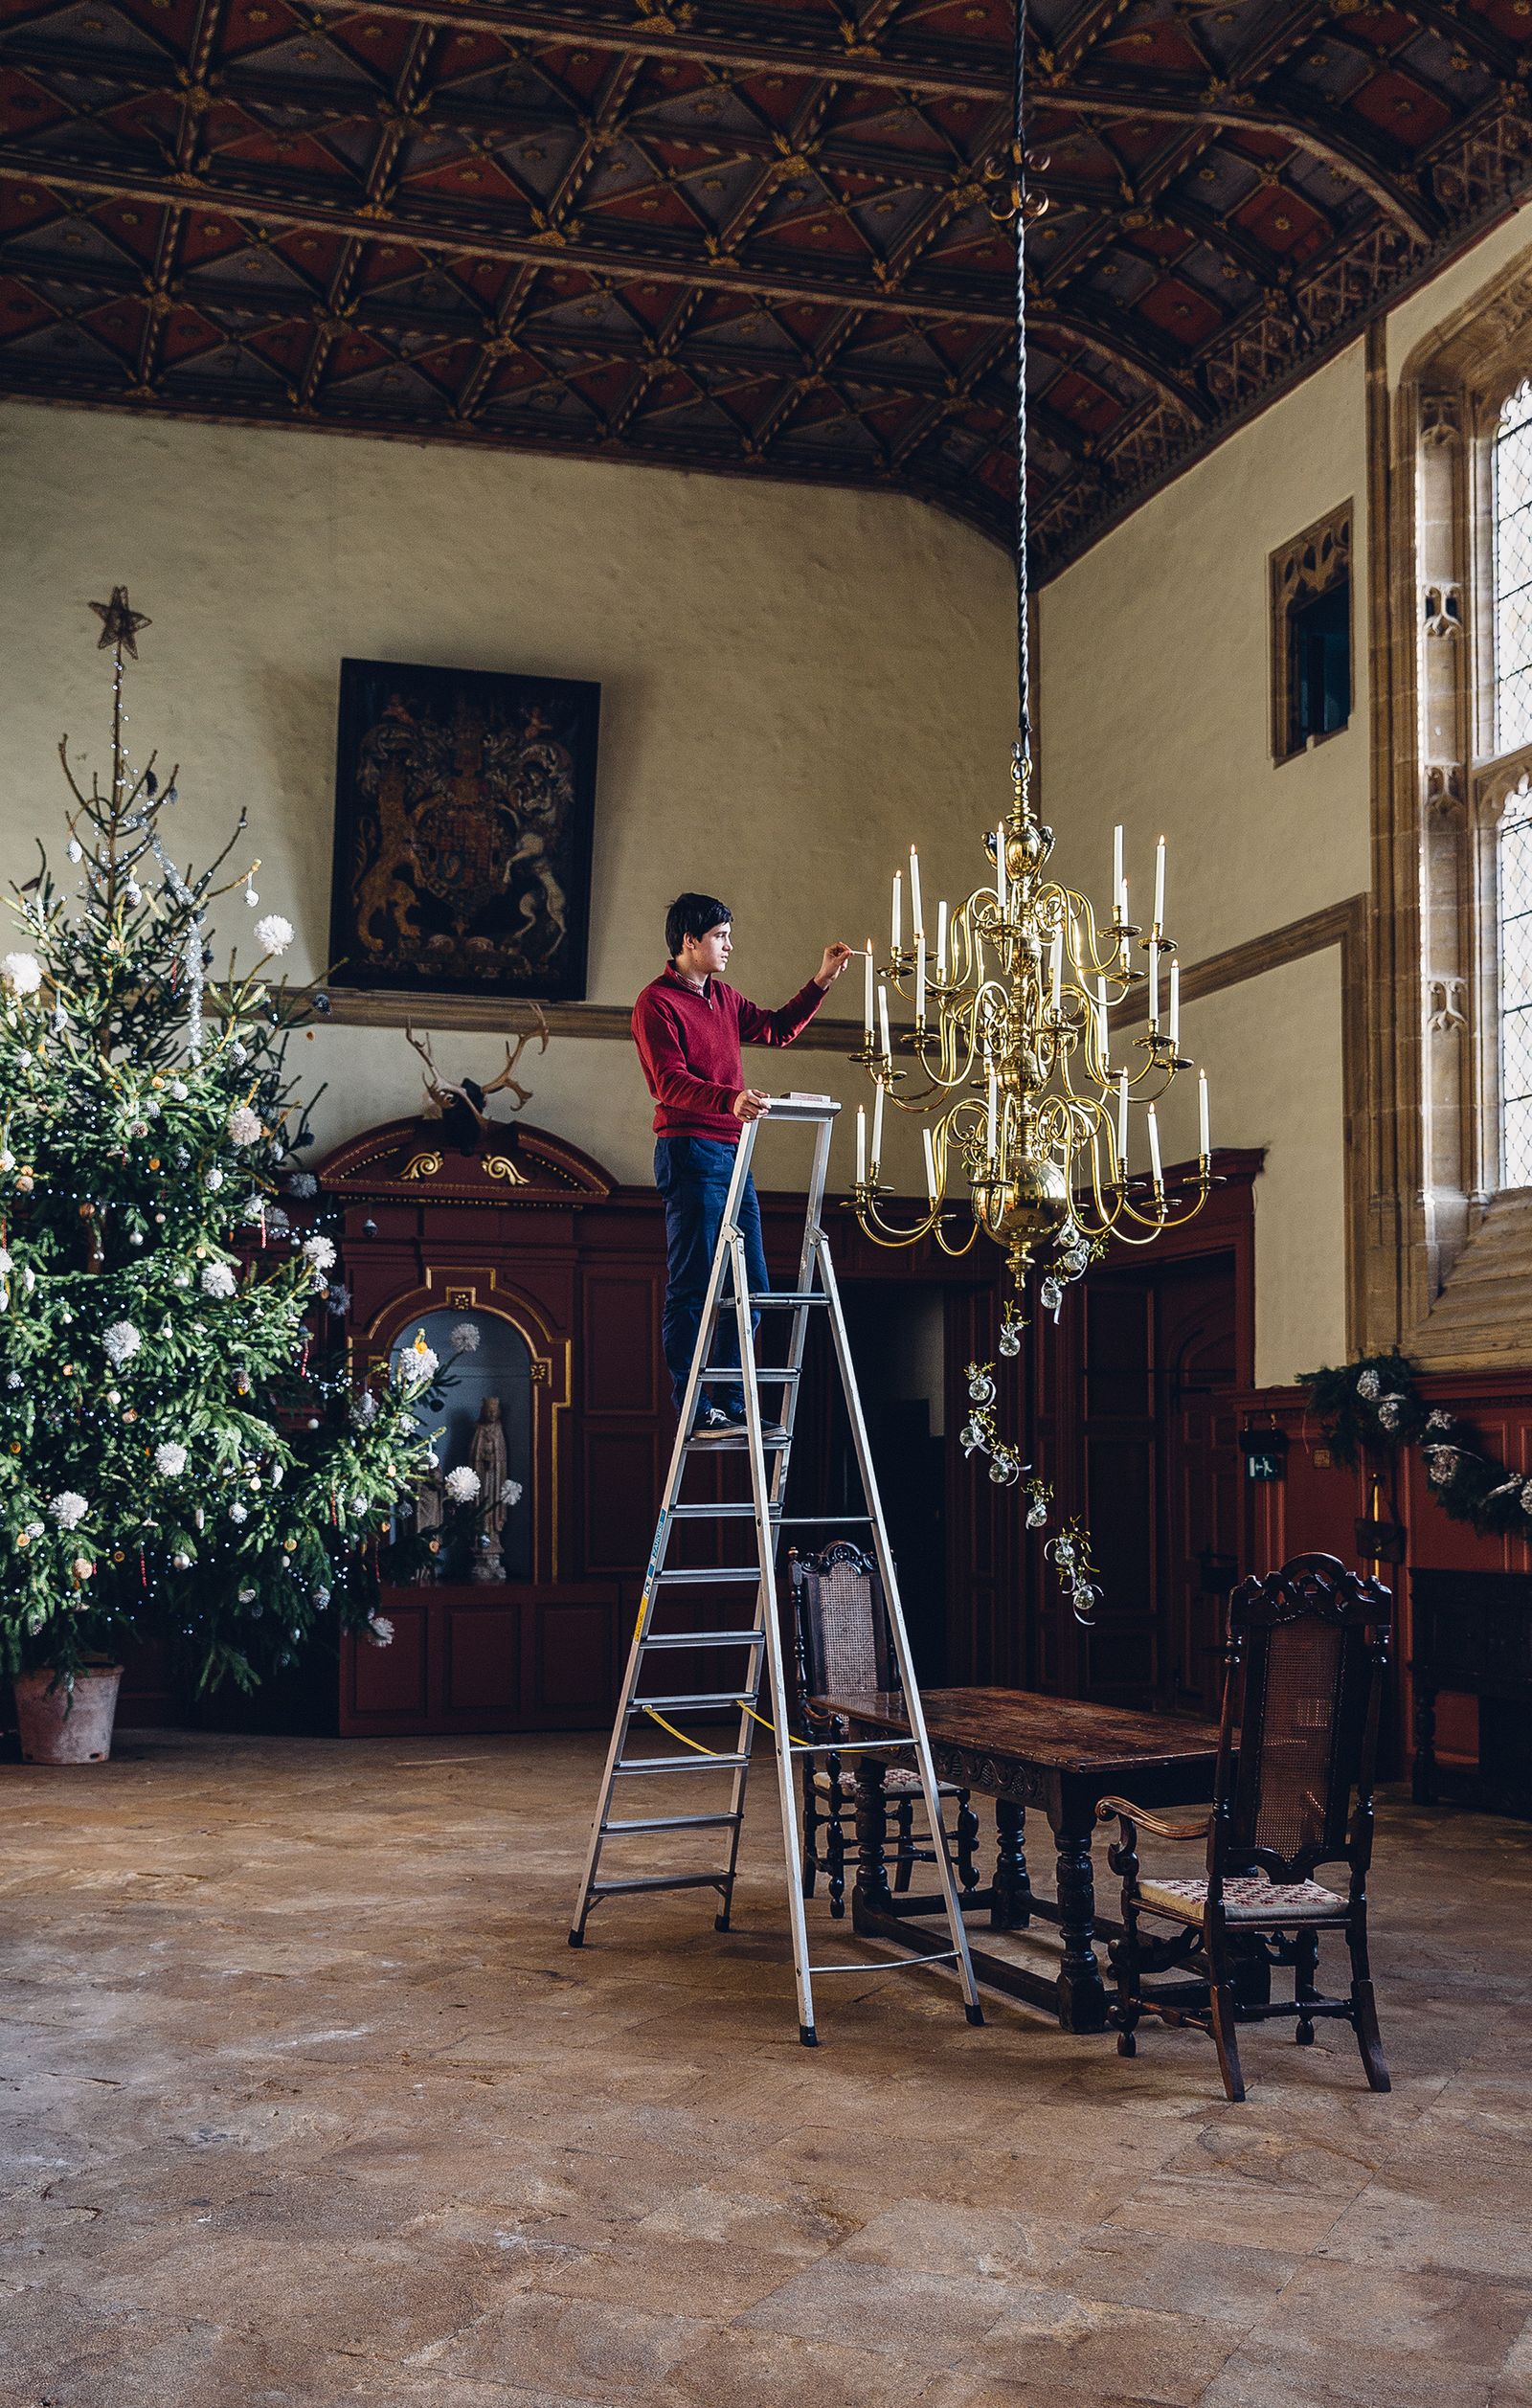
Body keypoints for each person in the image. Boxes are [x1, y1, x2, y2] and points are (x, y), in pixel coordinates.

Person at [633, 894, 854, 1435]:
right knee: (694, 1285)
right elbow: (668, 1083)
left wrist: (822, 979)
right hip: (690, 1151)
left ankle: (731, 1400)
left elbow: (778, 1029)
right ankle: (694, 1402)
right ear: (691, 940)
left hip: (735, 1153)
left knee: (750, 1288)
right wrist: (728, 1101)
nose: (729, 946)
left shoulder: (724, 999)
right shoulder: (655, 1003)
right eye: (721, 936)